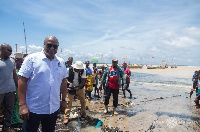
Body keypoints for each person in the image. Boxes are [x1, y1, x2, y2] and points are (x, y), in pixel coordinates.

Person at [18, 35, 68, 132]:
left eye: (55, 46)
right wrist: (22, 105)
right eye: (49, 45)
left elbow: (63, 81)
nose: (52, 48)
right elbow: (22, 81)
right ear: (44, 45)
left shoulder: (60, 62)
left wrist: (64, 99)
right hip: (33, 108)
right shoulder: (32, 59)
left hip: (52, 109)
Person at [0, 43, 18, 131]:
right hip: (0, 91)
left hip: (10, 91)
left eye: (11, 50)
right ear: (2, 49)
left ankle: (6, 128)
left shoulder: (12, 61)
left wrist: (18, 86)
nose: (11, 52)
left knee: (9, 110)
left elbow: (14, 75)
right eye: (9, 50)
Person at [11, 58, 24, 125]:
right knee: (14, 105)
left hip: (22, 90)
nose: (20, 64)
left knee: (20, 104)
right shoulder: (14, 71)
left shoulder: (24, 71)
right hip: (14, 89)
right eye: (19, 62)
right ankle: (14, 121)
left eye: (22, 62)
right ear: (15, 63)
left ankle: (20, 119)